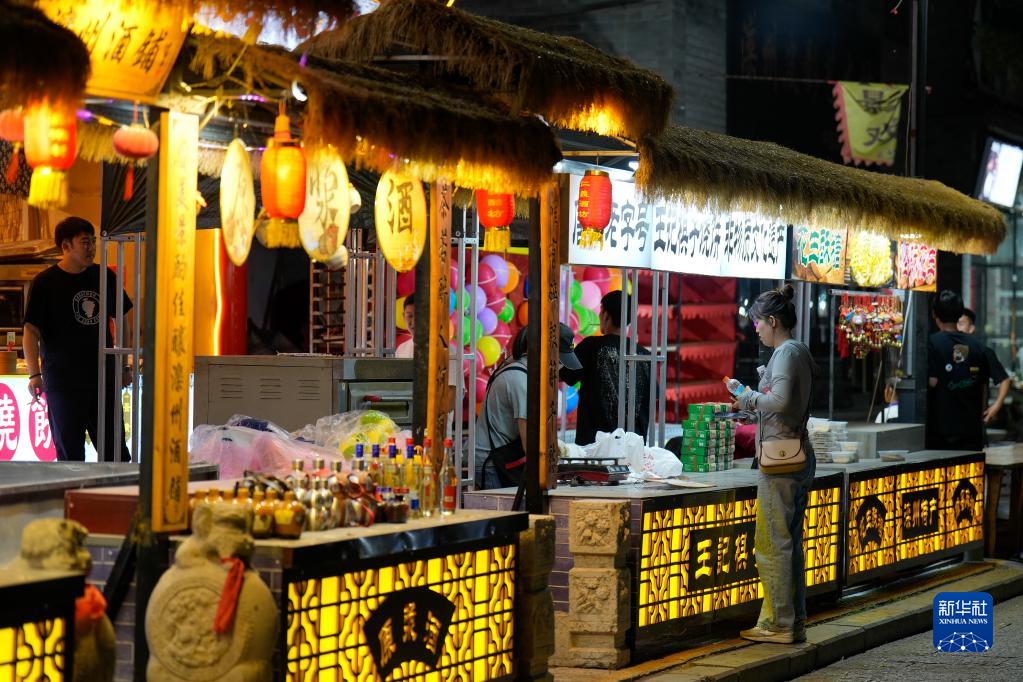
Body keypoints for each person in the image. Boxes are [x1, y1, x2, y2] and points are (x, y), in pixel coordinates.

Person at [727, 284, 815, 644]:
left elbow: (778, 401)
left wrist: (748, 397)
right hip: (790, 453)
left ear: (773, 321)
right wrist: (747, 403)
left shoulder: (787, 352)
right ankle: (792, 620)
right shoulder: (795, 351)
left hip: (781, 459)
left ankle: (780, 623)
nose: (756, 330)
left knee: (772, 542)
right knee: (787, 541)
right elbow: (780, 403)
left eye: (758, 323)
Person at [23, 217, 133, 462]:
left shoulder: (104, 276)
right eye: (85, 242)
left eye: (93, 242)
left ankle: (116, 489)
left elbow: (122, 318)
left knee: (115, 453)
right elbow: (30, 332)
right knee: (70, 455)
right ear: (66, 246)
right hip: (63, 382)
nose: (91, 248)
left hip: (102, 379)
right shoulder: (45, 282)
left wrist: (124, 364)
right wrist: (34, 374)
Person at [475, 323, 581, 489]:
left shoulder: (519, 364)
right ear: (543, 351)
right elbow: (530, 442)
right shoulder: (521, 379)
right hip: (491, 463)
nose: (559, 367)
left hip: (502, 457)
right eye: (559, 361)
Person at [560, 290, 650, 445]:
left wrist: (562, 347)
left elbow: (565, 375)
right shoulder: (644, 355)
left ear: (606, 315)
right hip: (633, 446)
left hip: (594, 447)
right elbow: (652, 396)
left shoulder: (591, 347)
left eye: (601, 312)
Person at [927, 291, 992, 451]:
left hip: (940, 434)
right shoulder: (978, 346)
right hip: (972, 433)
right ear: (959, 313)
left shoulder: (930, 343)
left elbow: (932, 382)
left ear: (934, 314)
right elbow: (984, 385)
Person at [957, 307, 1010, 425]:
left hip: (974, 419)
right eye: (954, 324)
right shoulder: (944, 349)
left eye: (960, 324)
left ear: (971, 328)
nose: (957, 328)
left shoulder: (983, 352)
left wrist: (996, 406)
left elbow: (1004, 380)